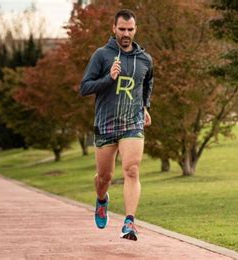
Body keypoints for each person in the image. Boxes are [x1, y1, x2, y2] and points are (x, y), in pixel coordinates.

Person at [79, 9, 153, 241]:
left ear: (135, 29)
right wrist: (108, 78)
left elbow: (147, 83)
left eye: (130, 29)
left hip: (132, 123)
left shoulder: (145, 59)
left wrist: (145, 106)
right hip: (106, 124)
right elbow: (84, 87)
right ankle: (102, 200)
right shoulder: (102, 55)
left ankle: (129, 222)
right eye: (122, 29)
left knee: (132, 169)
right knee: (104, 178)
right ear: (114, 29)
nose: (126, 33)